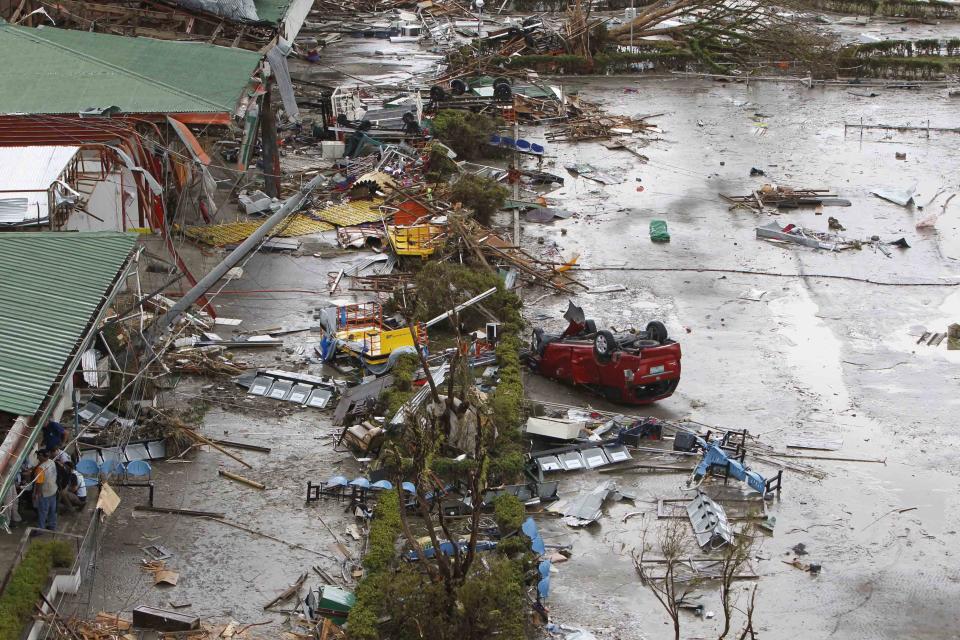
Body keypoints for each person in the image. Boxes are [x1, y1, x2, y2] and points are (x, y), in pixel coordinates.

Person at [32, 450, 58, 531]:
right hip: (53, 489)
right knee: (52, 510)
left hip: (45, 492)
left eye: (38, 456)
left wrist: (37, 494)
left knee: (43, 511)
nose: (37, 457)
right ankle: (52, 526)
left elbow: (39, 483)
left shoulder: (41, 468)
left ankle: (40, 529)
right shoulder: (51, 462)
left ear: (42, 456)